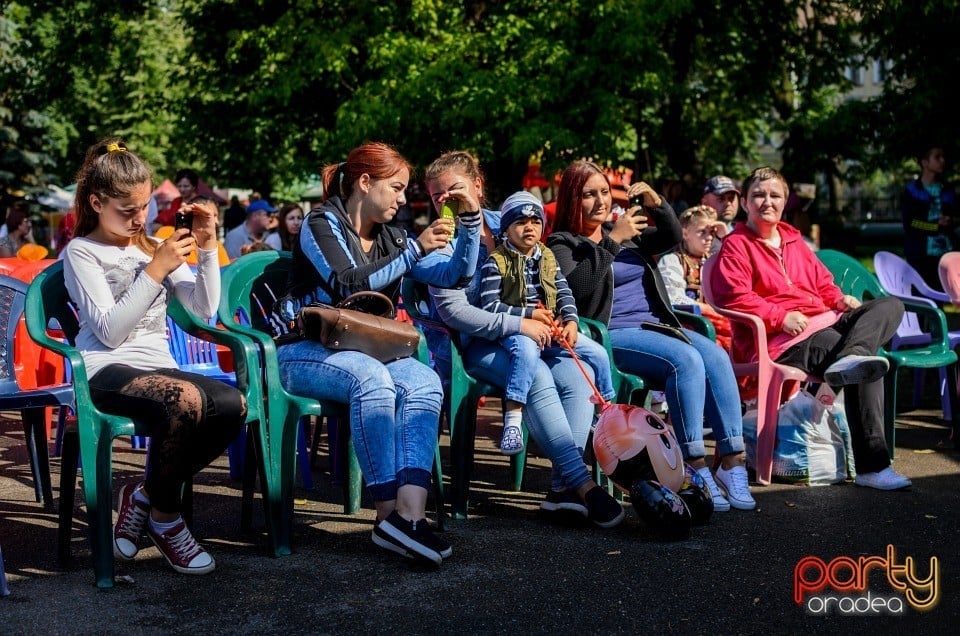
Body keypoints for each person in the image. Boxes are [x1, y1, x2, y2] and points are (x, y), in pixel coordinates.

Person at [275, 142, 481, 566]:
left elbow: (455, 274)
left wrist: (472, 223)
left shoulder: (393, 234)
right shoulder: (320, 222)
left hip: (365, 351)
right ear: (365, 183)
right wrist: (415, 250)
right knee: (371, 379)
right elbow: (347, 284)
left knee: (424, 381)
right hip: (302, 351)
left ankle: (410, 517)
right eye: (397, 188)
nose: (404, 199)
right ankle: (388, 514)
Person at [62, 137, 246, 575]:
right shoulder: (81, 252)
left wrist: (205, 247)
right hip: (105, 370)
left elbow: (204, 311)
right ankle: (166, 520)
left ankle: (142, 495)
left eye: (143, 208)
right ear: (96, 201)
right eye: (126, 210)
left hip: (157, 366)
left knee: (231, 404)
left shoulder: (151, 247)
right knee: (184, 400)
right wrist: (156, 269)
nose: (138, 218)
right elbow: (108, 333)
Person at [425, 151, 625, 528]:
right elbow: (456, 313)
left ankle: (559, 490)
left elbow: (552, 276)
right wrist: (518, 326)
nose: (445, 199)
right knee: (537, 378)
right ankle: (582, 485)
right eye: (437, 195)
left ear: (478, 187)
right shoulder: (441, 241)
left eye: (454, 189)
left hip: (538, 335)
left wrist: (567, 320)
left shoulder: (513, 221)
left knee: (573, 376)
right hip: (475, 345)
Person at [547, 160, 755, 512]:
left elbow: (673, 237)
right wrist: (613, 240)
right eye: (588, 195)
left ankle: (733, 463)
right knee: (686, 360)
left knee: (717, 355)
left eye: (603, 192)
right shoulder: (562, 243)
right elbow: (577, 289)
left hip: (657, 326)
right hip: (612, 334)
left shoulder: (627, 234)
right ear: (571, 199)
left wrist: (659, 204)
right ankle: (696, 467)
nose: (599, 201)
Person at [712, 166, 911, 490]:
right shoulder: (737, 245)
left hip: (826, 320)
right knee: (868, 362)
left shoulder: (794, 239)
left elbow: (822, 282)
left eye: (774, 195)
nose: (767, 201)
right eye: (758, 195)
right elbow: (734, 296)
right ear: (746, 202)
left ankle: (853, 354)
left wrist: (839, 298)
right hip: (784, 340)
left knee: (891, 306)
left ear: (784, 201)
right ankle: (872, 466)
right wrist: (780, 316)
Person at [479, 191, 615, 455]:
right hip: (517, 328)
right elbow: (490, 306)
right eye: (520, 222)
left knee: (597, 353)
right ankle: (514, 418)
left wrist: (571, 321)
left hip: (550, 329)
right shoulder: (496, 262)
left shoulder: (547, 257)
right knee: (525, 352)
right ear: (506, 228)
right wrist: (527, 315)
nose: (529, 227)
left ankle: (605, 410)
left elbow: (564, 292)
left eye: (535, 221)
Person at [656, 204, 733, 351]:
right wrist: (706, 309)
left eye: (712, 232)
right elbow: (673, 298)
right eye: (702, 232)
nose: (709, 237)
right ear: (685, 233)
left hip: (716, 321)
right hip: (688, 323)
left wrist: (726, 237)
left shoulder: (716, 260)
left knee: (744, 339)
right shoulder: (672, 260)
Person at [901, 144, 958, 290]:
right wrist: (935, 226)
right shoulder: (912, 191)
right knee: (922, 298)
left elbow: (957, 217)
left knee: (945, 297)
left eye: (943, 157)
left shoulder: (948, 190)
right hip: (920, 255)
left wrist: (950, 222)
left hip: (946, 254)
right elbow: (910, 223)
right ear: (925, 162)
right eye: (937, 157)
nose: (942, 160)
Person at [701, 175, 740, 255]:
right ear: (705, 203)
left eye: (731, 198)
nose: (728, 203)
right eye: (721, 199)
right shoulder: (696, 235)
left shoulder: (745, 233)